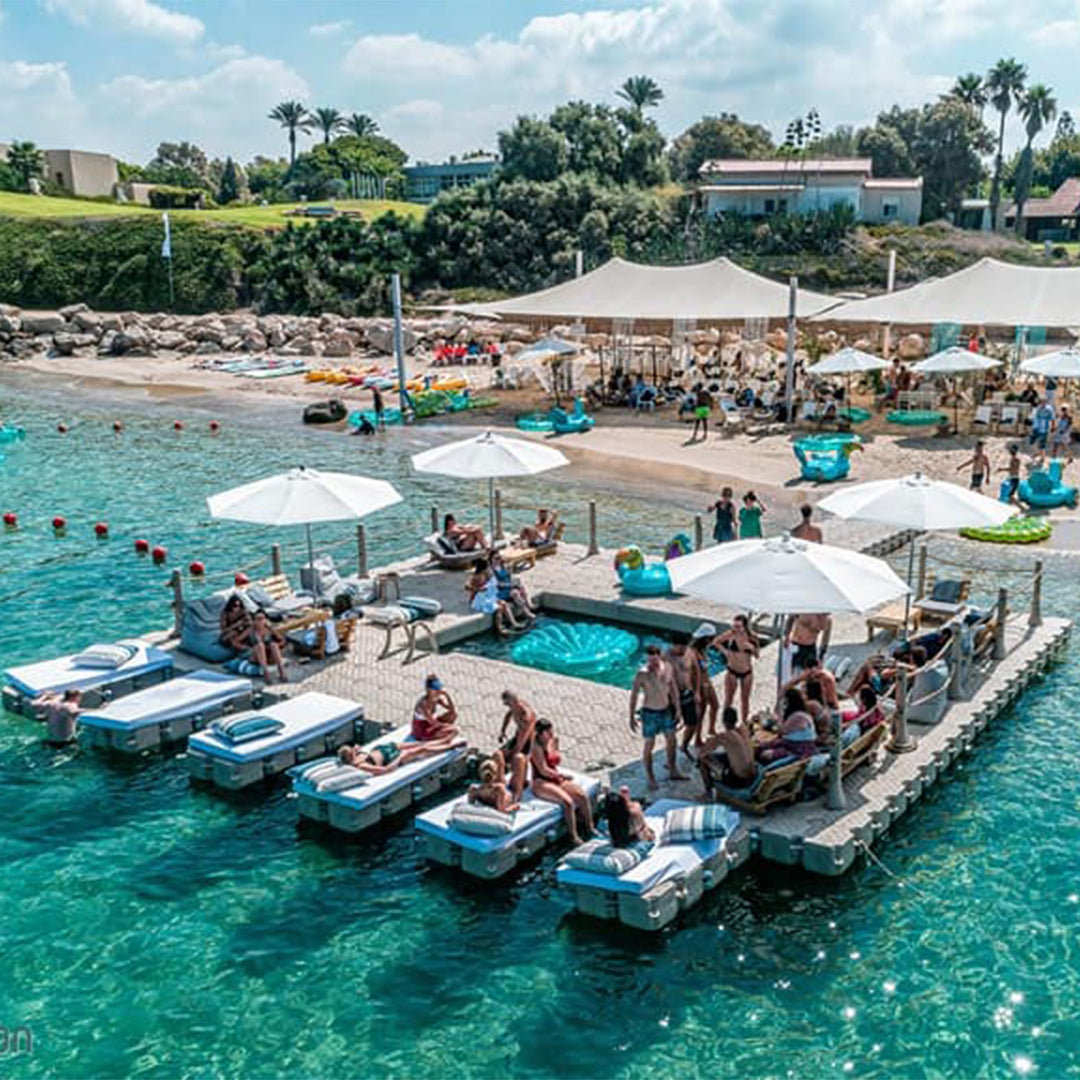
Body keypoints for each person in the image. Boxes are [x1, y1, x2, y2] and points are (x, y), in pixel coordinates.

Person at [629, 645, 687, 790]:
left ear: (660, 656)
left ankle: (673, 770)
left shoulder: (667, 668)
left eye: (655, 660)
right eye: (650, 660)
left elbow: (673, 688)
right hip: (649, 713)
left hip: (666, 710)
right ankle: (650, 777)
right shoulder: (642, 674)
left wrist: (678, 709)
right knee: (649, 745)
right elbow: (634, 695)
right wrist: (631, 716)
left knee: (672, 740)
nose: (653, 664)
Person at [530, 719, 594, 846]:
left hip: (555, 777)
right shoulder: (536, 747)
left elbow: (556, 761)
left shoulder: (554, 741)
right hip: (541, 781)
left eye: (551, 730)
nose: (551, 733)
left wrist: (560, 775)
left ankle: (590, 827)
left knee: (581, 796)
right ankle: (574, 837)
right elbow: (543, 770)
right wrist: (561, 775)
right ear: (540, 734)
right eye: (547, 732)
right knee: (568, 802)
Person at [699, 705, 758, 793]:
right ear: (736, 720)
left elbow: (704, 752)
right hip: (753, 776)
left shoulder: (725, 736)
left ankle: (707, 792)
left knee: (702, 761)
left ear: (724, 722)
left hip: (739, 781)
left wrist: (708, 744)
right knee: (727, 756)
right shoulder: (744, 730)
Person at [715, 614, 759, 724]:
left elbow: (757, 655)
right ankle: (726, 723)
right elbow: (716, 642)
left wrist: (751, 648)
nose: (736, 629)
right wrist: (725, 652)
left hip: (747, 672)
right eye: (734, 626)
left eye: (738, 626)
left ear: (745, 626)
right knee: (728, 700)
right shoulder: (730, 634)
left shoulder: (752, 637)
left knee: (745, 700)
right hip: (732, 671)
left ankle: (744, 723)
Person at [337, 736, 461, 774]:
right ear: (349, 758)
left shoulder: (357, 755)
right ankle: (450, 746)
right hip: (390, 758)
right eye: (352, 752)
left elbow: (358, 747)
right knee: (421, 749)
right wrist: (399, 758)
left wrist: (358, 749)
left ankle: (443, 740)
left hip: (384, 749)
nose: (354, 751)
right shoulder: (361, 766)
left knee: (418, 744)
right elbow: (385, 770)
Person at [496, 690, 536, 801]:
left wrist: (516, 750)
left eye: (507, 703)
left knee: (520, 760)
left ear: (514, 700)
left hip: (528, 739)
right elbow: (508, 715)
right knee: (507, 757)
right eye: (505, 704)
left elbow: (525, 736)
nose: (506, 706)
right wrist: (503, 730)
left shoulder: (526, 716)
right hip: (519, 735)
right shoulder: (515, 706)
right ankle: (515, 780)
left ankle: (521, 784)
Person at [666, 639, 702, 758]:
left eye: (684, 646)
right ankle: (670, 756)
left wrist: (696, 691)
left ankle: (684, 746)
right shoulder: (666, 657)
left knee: (692, 723)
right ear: (674, 644)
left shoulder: (690, 653)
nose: (682, 649)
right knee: (671, 729)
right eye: (680, 647)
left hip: (687, 693)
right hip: (671, 697)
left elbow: (696, 672)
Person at [466, 558, 523, 633]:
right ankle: (499, 628)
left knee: (504, 604)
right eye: (487, 566)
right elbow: (467, 586)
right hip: (479, 600)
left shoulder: (486, 574)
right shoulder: (475, 576)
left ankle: (514, 623)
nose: (488, 568)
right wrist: (478, 589)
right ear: (484, 568)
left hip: (487, 597)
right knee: (499, 608)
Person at [689, 623, 720, 737]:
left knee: (715, 705)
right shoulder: (693, 653)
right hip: (700, 685)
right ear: (706, 638)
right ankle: (697, 737)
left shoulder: (703, 649)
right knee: (701, 713)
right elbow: (693, 674)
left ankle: (711, 729)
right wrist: (696, 690)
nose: (713, 640)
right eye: (712, 638)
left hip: (707, 682)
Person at [412, 674, 460, 742]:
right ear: (428, 690)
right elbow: (434, 723)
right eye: (435, 689)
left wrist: (447, 695)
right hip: (422, 730)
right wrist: (447, 726)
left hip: (431, 724)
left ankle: (441, 736)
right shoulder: (424, 704)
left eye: (439, 688)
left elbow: (452, 709)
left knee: (453, 715)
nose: (438, 691)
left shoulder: (436, 699)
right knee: (454, 731)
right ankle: (440, 740)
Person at [490, 550, 534, 616]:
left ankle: (529, 605)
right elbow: (498, 584)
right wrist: (510, 585)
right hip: (501, 590)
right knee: (515, 593)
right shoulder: (491, 570)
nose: (498, 560)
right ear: (491, 559)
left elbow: (509, 577)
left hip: (509, 587)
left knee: (521, 587)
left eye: (499, 558)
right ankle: (527, 613)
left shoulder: (503, 566)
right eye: (496, 558)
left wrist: (510, 570)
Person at [248, 610, 287, 683]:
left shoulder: (269, 629)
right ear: (254, 621)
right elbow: (238, 642)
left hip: (269, 657)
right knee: (260, 646)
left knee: (273, 645)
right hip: (257, 657)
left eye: (263, 618)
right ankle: (266, 674)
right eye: (258, 619)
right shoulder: (251, 631)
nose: (261, 621)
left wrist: (276, 645)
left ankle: (281, 672)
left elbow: (283, 641)